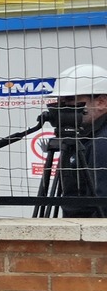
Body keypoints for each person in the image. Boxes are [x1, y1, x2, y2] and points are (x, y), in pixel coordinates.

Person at [52, 63, 107, 216]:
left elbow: (103, 204)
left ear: (101, 102)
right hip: (77, 232)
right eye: (60, 101)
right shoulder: (80, 137)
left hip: (94, 234)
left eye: (70, 100)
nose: (63, 107)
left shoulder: (102, 142)